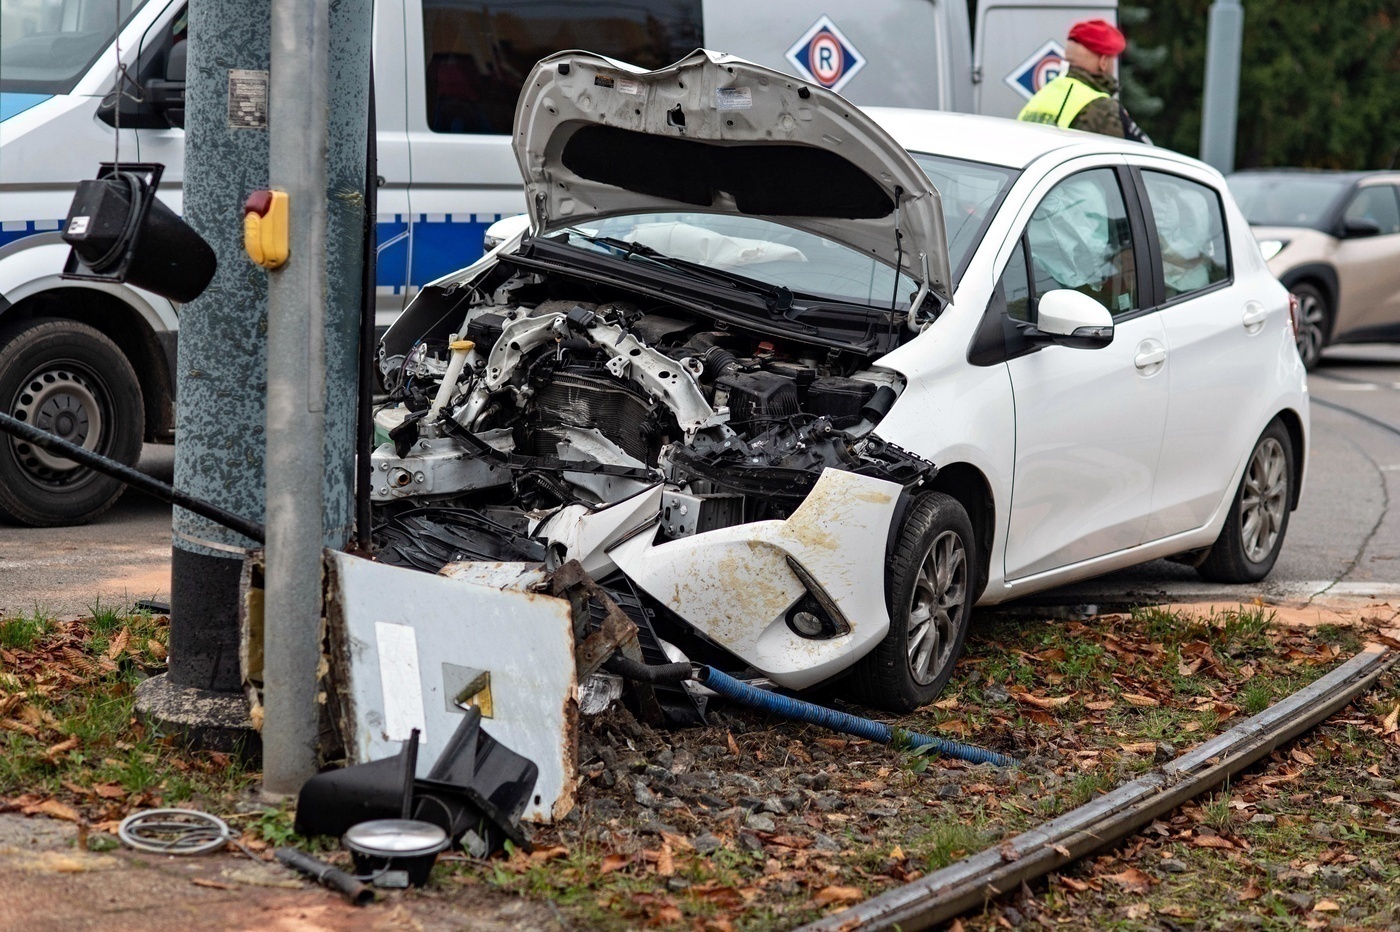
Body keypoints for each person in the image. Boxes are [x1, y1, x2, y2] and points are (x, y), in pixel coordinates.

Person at [1017, 19, 1151, 144]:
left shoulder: (1042, 96)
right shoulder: (1103, 108)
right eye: (1112, 60)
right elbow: (1128, 157)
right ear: (1103, 62)